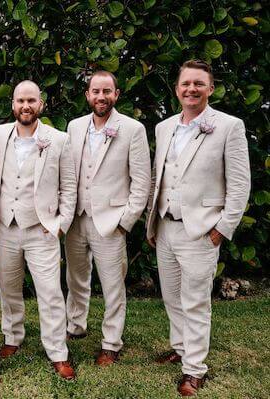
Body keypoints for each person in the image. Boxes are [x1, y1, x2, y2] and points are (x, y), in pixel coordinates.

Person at [145, 60, 250, 396]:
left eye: (199, 84)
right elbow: (159, 177)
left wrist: (222, 228)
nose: (191, 89)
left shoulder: (229, 127)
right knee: (172, 297)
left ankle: (195, 369)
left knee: (196, 302)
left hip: (201, 230)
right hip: (165, 226)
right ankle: (180, 347)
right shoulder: (164, 128)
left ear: (210, 88)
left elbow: (240, 184)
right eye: (186, 83)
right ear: (177, 89)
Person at [0, 80, 77, 379]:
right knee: (8, 287)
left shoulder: (58, 140)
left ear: (41, 104)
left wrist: (60, 226)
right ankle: (13, 336)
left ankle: (57, 351)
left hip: (42, 229)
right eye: (19, 101)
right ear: (12, 104)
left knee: (50, 292)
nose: (25, 106)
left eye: (31, 100)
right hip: (4, 226)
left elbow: (69, 187)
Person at [65, 71, 151, 366]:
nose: (101, 97)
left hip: (111, 220)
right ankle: (75, 325)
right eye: (95, 91)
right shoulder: (74, 127)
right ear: (87, 95)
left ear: (116, 94)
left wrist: (125, 220)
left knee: (113, 285)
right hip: (76, 218)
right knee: (75, 277)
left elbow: (142, 182)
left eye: (107, 91)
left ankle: (111, 342)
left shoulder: (132, 129)